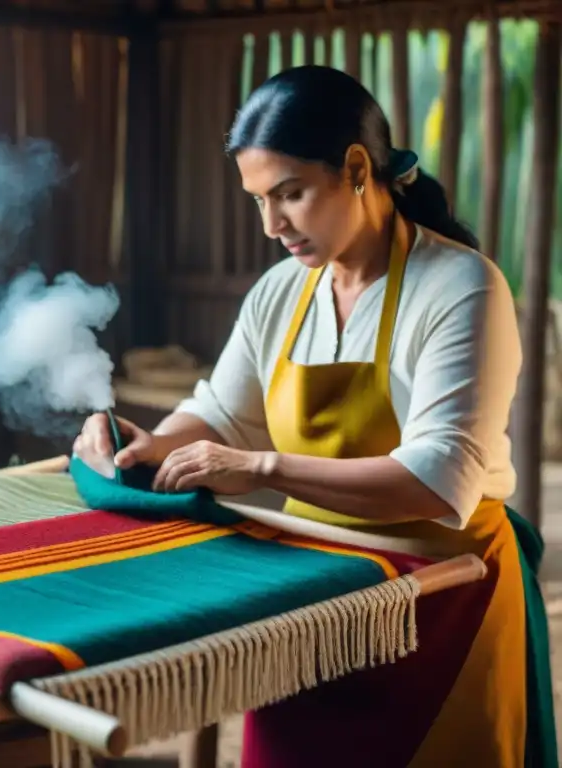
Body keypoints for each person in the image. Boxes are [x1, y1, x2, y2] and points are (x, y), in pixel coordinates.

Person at [73, 65, 555, 768]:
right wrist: (143, 444)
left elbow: (437, 480)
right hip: (311, 606)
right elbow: (222, 414)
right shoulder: (281, 292)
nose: (272, 226)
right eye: (259, 201)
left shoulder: (461, 288)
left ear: (357, 168)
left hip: (442, 600)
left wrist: (259, 468)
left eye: (290, 194)